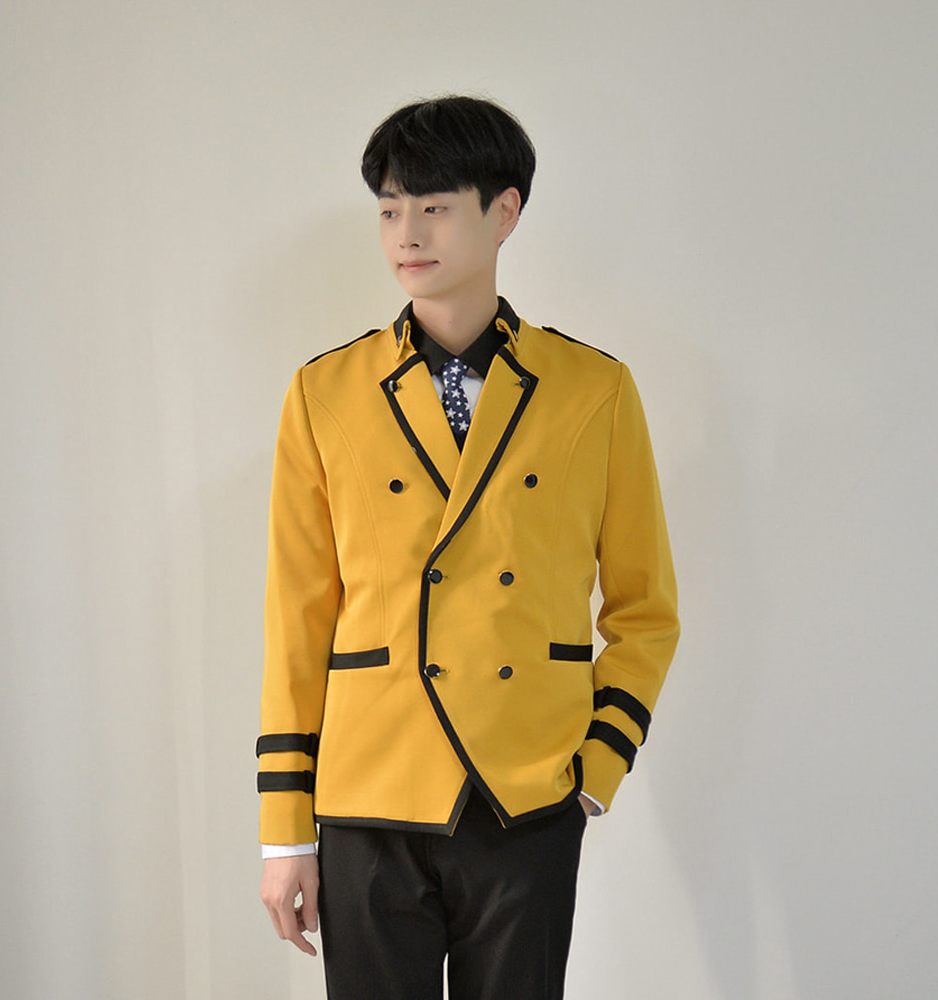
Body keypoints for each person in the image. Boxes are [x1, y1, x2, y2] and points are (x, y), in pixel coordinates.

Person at [257, 95, 679, 1000]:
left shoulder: (594, 390)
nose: (406, 234)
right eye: (389, 210)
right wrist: (284, 829)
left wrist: (595, 772)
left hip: (525, 792)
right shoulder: (325, 392)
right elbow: (297, 619)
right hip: (369, 791)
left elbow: (646, 611)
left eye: (435, 206)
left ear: (505, 211)